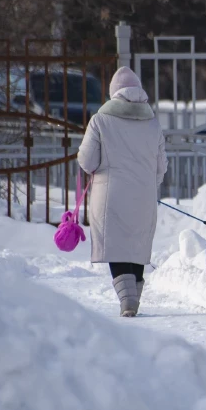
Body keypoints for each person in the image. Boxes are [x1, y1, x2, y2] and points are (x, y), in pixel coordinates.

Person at [78, 66, 167, 317]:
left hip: (110, 197)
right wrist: (147, 183)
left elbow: (87, 161)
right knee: (136, 246)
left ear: (113, 94)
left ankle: (127, 301)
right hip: (145, 197)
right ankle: (133, 299)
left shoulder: (99, 120)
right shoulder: (153, 124)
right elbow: (161, 168)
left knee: (117, 245)